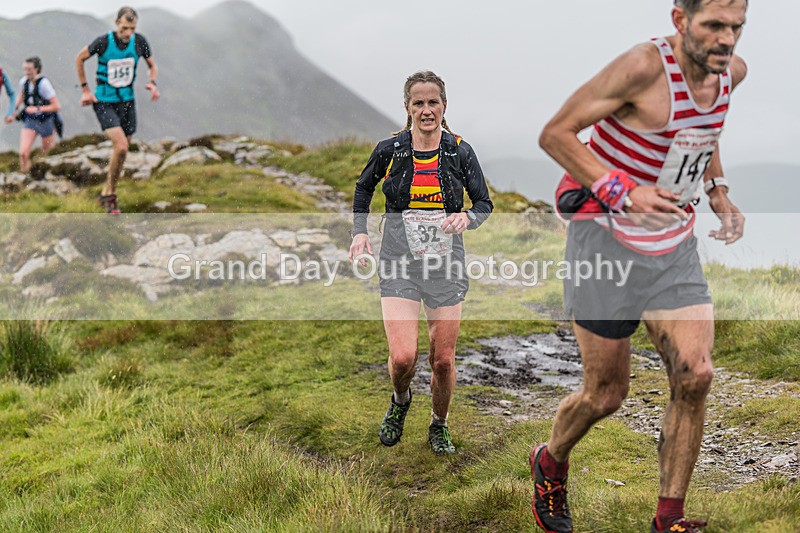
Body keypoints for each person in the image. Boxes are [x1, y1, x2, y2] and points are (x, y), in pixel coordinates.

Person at [532, 1, 747, 532]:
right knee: (606, 395)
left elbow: (704, 127)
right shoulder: (642, 68)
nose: (727, 40)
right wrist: (622, 190)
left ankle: (667, 519)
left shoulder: (730, 73)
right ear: (680, 21)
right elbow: (556, 133)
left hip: (672, 247)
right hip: (604, 242)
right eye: (714, 26)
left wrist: (718, 191)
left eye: (737, 27)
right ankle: (550, 461)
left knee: (695, 374)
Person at [349, 71, 493, 455]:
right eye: (419, 103)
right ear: (407, 107)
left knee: (443, 360)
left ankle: (439, 424)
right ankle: (400, 401)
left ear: (444, 107)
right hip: (398, 261)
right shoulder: (390, 149)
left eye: (433, 103)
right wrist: (359, 233)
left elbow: (483, 203)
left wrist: (468, 217)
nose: (426, 110)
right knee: (402, 357)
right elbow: (364, 188)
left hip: (446, 266)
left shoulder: (460, 151)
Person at [75, 5, 159, 214]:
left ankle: (106, 192)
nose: (128, 33)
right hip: (104, 101)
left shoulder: (139, 42)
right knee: (121, 147)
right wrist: (85, 89)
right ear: (116, 24)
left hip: (128, 102)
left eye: (132, 28)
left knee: (122, 152)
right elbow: (80, 58)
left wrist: (152, 82)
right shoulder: (103, 42)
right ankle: (110, 196)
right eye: (124, 29)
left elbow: (152, 65)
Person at [6, 57, 61, 174]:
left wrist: (37, 109)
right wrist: (13, 111)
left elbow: (56, 106)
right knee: (23, 153)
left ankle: (46, 176)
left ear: (37, 69)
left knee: (47, 153)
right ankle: (25, 176)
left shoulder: (44, 84)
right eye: (25, 69)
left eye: (29, 69)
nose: (27, 72)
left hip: (46, 121)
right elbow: (21, 96)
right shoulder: (24, 82)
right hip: (30, 120)